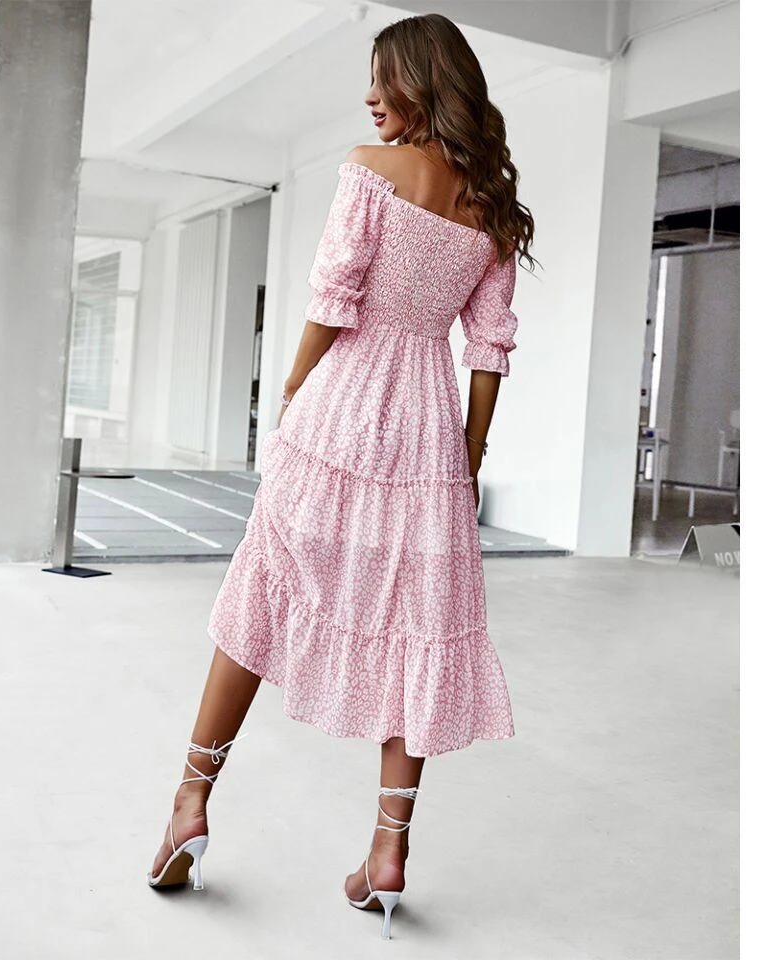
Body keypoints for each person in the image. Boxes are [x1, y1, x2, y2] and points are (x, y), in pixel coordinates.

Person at [147, 11, 536, 940]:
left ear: (420, 81)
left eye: (381, 78)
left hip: (343, 407)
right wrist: (469, 453)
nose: (369, 97)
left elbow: (334, 297)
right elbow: (488, 349)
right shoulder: (490, 209)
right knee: (417, 628)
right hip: (428, 428)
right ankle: (388, 851)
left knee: (264, 590)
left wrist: (291, 386)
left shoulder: (369, 170)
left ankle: (190, 802)